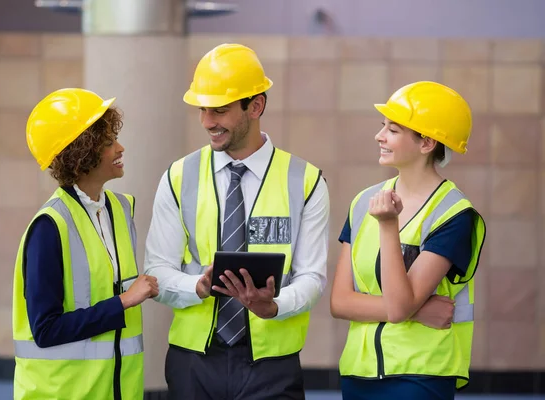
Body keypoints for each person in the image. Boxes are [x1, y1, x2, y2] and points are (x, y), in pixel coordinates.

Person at [143, 43, 330, 400]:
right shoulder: (178, 177)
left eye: (219, 110)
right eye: (202, 109)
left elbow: (312, 277)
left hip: (273, 366)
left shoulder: (305, 181)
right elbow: (157, 270)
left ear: (255, 106)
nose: (207, 121)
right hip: (193, 363)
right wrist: (197, 286)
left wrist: (273, 305)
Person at [330, 81, 486, 400]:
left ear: (426, 142)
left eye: (393, 130)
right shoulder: (363, 203)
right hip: (358, 374)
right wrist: (419, 310)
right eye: (382, 127)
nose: (380, 136)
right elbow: (340, 302)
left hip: (420, 377)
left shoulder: (454, 215)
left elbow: (399, 306)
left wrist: (389, 226)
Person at [12, 88, 159, 400]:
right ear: (82, 156)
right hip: (65, 393)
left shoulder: (119, 210)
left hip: (117, 391)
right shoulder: (49, 227)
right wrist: (123, 302)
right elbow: (46, 330)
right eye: (108, 143)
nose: (121, 148)